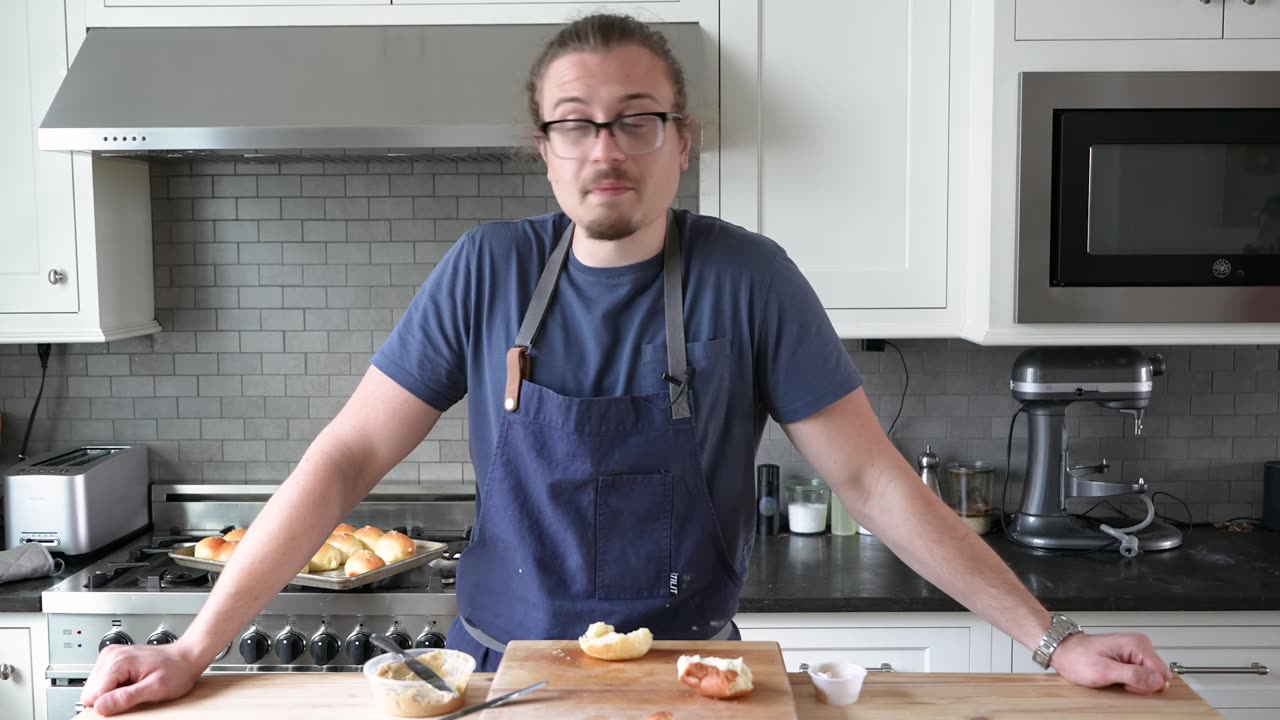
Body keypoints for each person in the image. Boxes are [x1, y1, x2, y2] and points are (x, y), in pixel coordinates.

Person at [80, 13, 1172, 715]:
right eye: (576, 123)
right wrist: (193, 646)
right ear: (544, 147)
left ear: (679, 139)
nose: (606, 147)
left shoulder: (751, 278)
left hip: (691, 681)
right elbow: (343, 460)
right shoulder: (483, 271)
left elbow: (872, 479)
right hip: (500, 682)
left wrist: (1051, 640)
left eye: (634, 120)